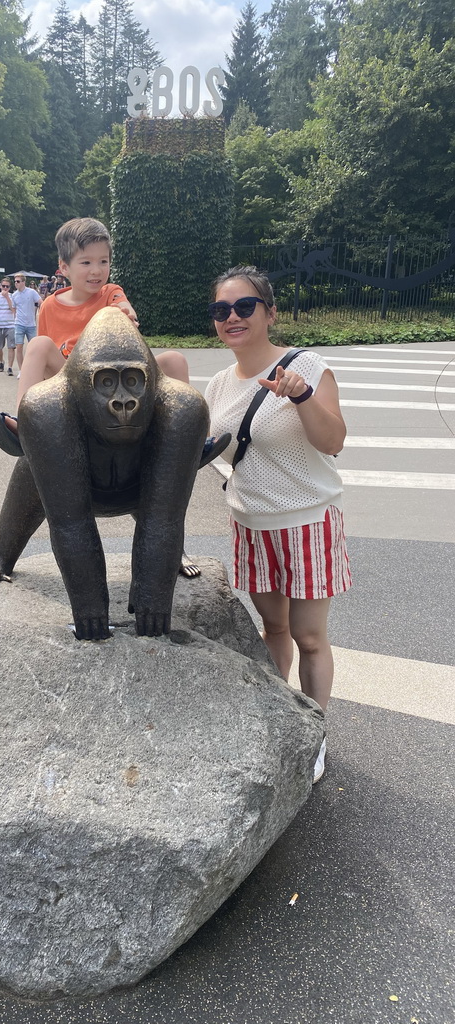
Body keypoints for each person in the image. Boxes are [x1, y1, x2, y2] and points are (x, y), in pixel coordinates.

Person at [204, 265, 351, 783]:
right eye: (222, 311)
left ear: (268, 312)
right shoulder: (220, 384)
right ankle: (277, 720)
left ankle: (313, 735)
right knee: (274, 629)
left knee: (310, 638)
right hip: (251, 523)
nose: (232, 318)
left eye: (244, 307)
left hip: (307, 520)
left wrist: (302, 396)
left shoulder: (306, 366)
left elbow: (333, 441)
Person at [0, 217, 190, 454]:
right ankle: (25, 422)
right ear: (64, 267)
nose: (96, 270)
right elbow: (46, 366)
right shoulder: (49, 305)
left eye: (103, 261)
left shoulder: (110, 292)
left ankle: (187, 434)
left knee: (175, 360)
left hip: (113, 379)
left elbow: (123, 305)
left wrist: (126, 312)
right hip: (72, 382)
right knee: (38, 345)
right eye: (86, 262)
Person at [10, 273, 43, 378]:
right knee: (19, 347)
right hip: (19, 323)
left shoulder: (31, 292)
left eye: (18, 281)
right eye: (15, 281)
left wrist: (41, 312)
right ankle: (21, 370)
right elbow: (14, 309)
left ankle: (34, 369)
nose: (16, 283)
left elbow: (41, 302)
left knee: (33, 348)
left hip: (31, 324)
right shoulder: (14, 295)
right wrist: (14, 319)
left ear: (24, 282)